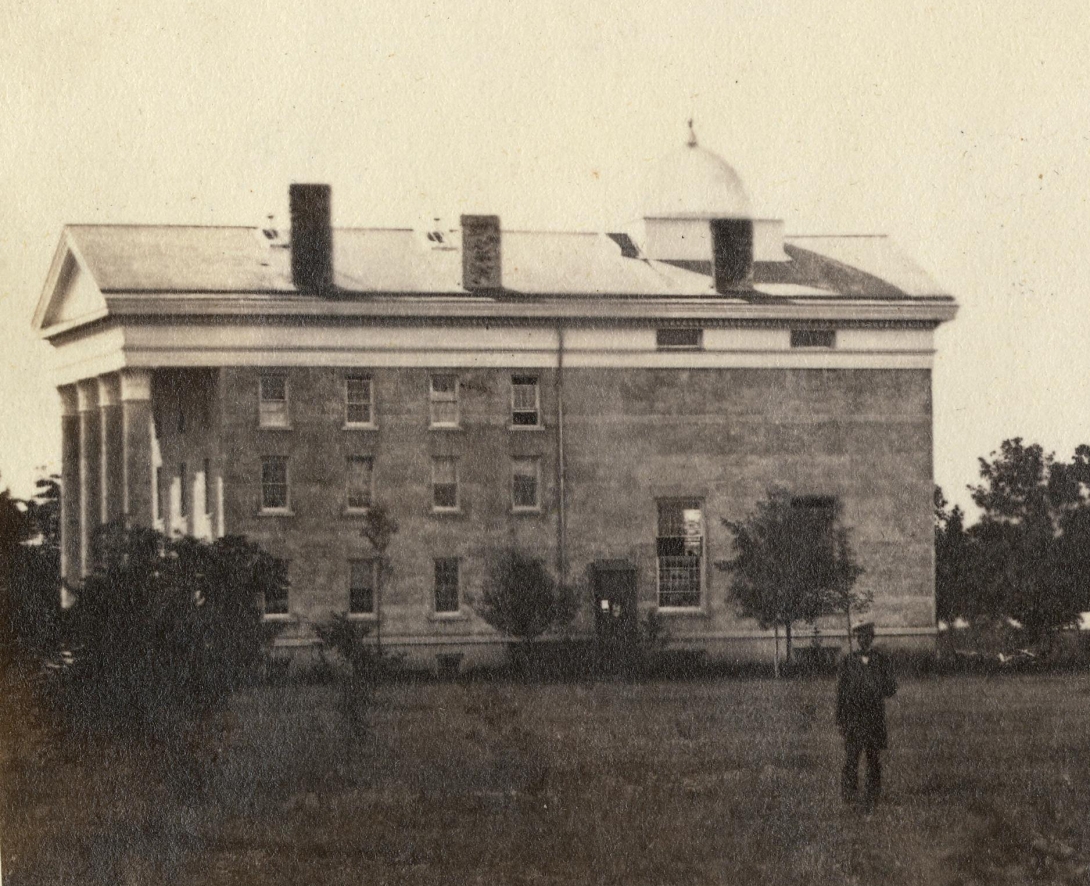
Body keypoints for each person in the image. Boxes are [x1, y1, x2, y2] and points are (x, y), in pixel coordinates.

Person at [835, 621, 897, 806]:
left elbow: (890, 688)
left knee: (873, 757)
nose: (864, 640)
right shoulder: (848, 661)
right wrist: (840, 720)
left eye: (868, 637)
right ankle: (849, 794)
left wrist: (879, 686)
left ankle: (873, 793)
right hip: (853, 717)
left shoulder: (881, 660)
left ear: (872, 638)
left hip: (874, 717)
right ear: (856, 639)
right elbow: (841, 692)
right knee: (852, 757)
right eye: (860, 637)